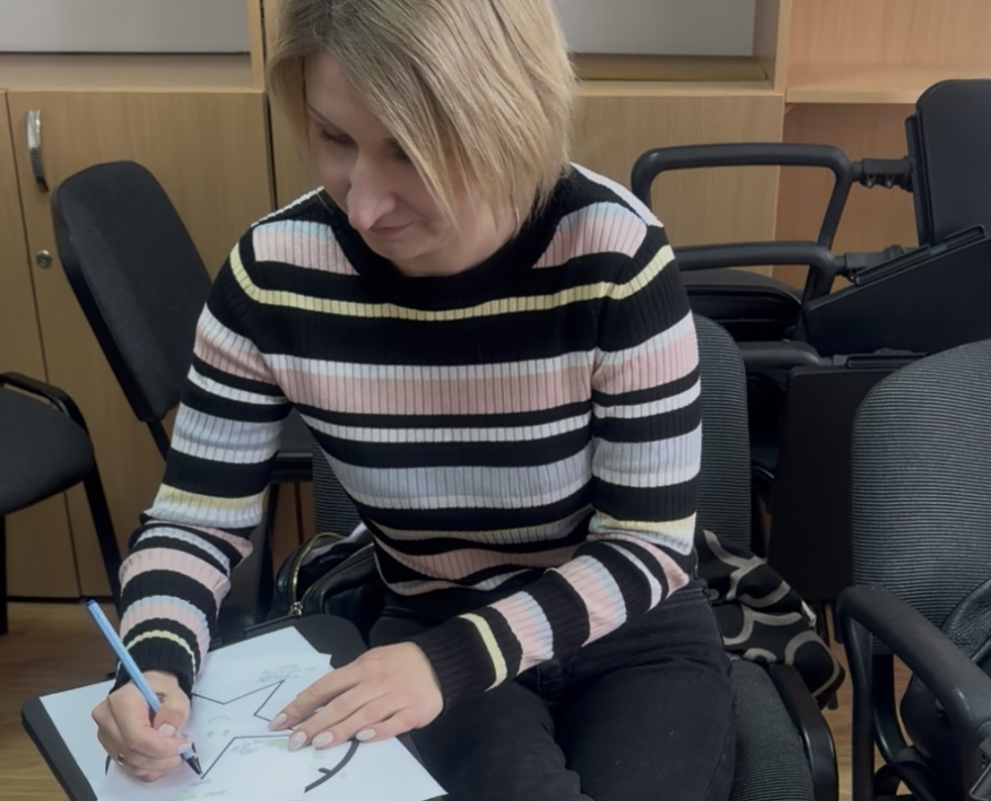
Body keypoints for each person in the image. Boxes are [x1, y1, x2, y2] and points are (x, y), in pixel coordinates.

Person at [90, 1, 736, 798]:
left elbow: (647, 545)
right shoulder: (272, 276)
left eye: (410, 150)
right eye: (334, 138)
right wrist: (153, 660)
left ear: (509, 120)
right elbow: (195, 521)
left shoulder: (615, 254)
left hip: (628, 629)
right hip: (430, 622)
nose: (362, 206)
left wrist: (453, 661)